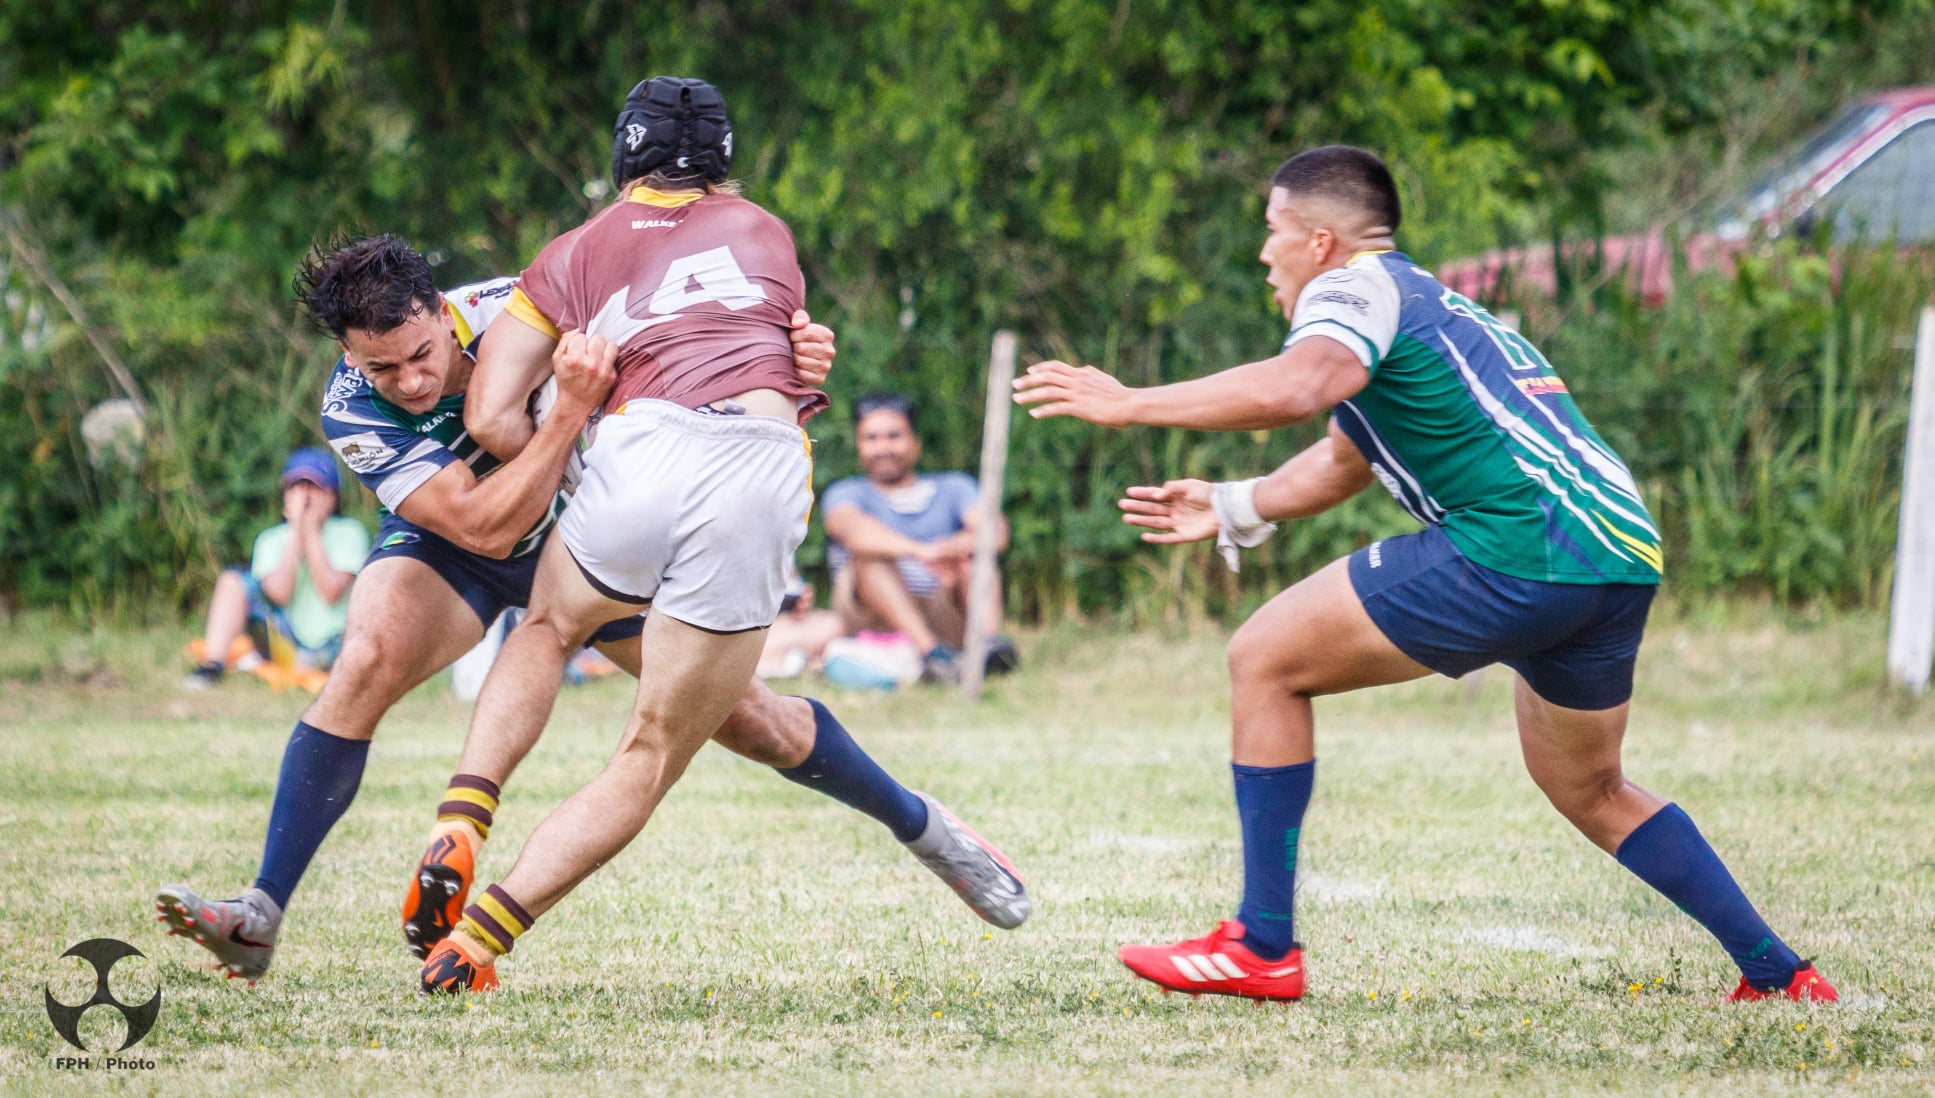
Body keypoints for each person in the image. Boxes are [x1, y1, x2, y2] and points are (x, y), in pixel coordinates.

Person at [1013, 145, 1835, 1004]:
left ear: (1320, 241)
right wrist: (1230, 504)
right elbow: (1341, 461)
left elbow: (1299, 386)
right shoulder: (1428, 307)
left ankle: (1260, 946)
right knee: (1590, 789)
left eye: (1271, 230)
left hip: (1517, 543)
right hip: (1613, 557)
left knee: (1263, 659)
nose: (1263, 254)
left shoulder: (1351, 287)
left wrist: (1130, 402)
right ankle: (1779, 973)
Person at [157, 233, 1022, 985]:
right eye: (381, 368)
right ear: (351, 355)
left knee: (758, 723)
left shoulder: (525, 308)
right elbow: (484, 527)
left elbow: (691, 335)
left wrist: (788, 349)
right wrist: (567, 412)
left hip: (591, 548)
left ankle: (926, 828)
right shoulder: (350, 407)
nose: (411, 382)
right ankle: (261, 912)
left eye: (421, 355)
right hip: (463, 542)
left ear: (442, 312)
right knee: (364, 663)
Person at [416, 77, 1027, 994]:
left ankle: (464, 815)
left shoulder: (574, 248)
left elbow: (491, 414)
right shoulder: (766, 231)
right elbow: (777, 348)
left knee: (547, 627)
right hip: (759, 463)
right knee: (652, 752)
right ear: (724, 164)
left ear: (622, 158)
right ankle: (475, 945)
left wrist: (575, 435)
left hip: (639, 447)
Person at [822, 392, 1018, 683]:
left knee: (977, 559)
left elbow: (995, 533)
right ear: (859, 445)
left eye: (893, 436)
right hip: (874, 620)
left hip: (945, 609)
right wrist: (922, 551)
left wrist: (955, 549)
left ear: (915, 443)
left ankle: (988, 649)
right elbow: (851, 530)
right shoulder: (845, 492)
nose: (882, 448)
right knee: (868, 559)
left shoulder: (955, 487)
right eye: (871, 438)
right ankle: (932, 656)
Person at [182, 448, 368, 690]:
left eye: (314, 488)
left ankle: (317, 666)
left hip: (333, 644)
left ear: (332, 496)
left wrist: (311, 533)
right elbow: (279, 593)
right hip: (285, 641)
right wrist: (296, 532)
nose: (305, 498)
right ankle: (211, 665)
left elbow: (331, 592)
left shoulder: (350, 532)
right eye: (297, 488)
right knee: (232, 580)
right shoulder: (271, 539)